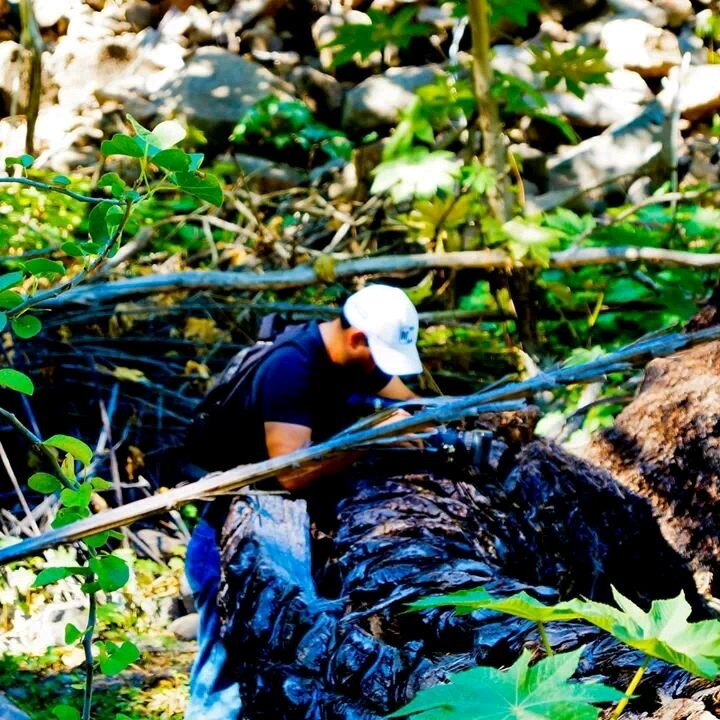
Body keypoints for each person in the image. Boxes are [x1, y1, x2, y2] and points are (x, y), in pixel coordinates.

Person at [184, 284, 424, 720]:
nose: (380, 369)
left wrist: (437, 426)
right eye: (378, 355)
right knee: (225, 682)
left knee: (281, 681)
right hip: (234, 549)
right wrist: (372, 437)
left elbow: (415, 409)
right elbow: (292, 473)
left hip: (294, 541)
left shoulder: (356, 364)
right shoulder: (291, 369)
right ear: (356, 338)